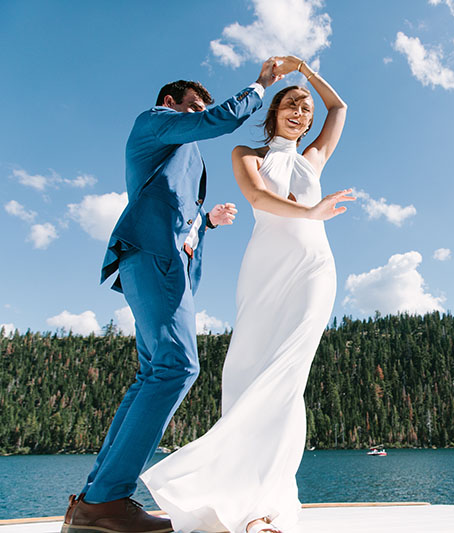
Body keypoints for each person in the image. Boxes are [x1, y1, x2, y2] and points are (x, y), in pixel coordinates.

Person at [62, 60, 279, 533]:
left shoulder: (178, 152)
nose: (199, 115)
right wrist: (260, 85)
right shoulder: (154, 121)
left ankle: (95, 502)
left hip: (157, 260)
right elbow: (216, 120)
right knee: (179, 366)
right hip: (153, 256)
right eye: (193, 107)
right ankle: (104, 500)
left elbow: (174, 207)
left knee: (152, 373)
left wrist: (206, 223)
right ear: (170, 104)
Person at [139, 56, 353, 533]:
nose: (301, 113)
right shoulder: (246, 155)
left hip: (314, 270)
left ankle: (265, 508)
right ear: (273, 113)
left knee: (287, 383)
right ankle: (236, 496)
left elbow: (339, 108)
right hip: (263, 273)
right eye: (292, 105)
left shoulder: (313, 158)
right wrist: (312, 211)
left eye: (305, 109)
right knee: (245, 373)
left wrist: (308, 74)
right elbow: (258, 199)